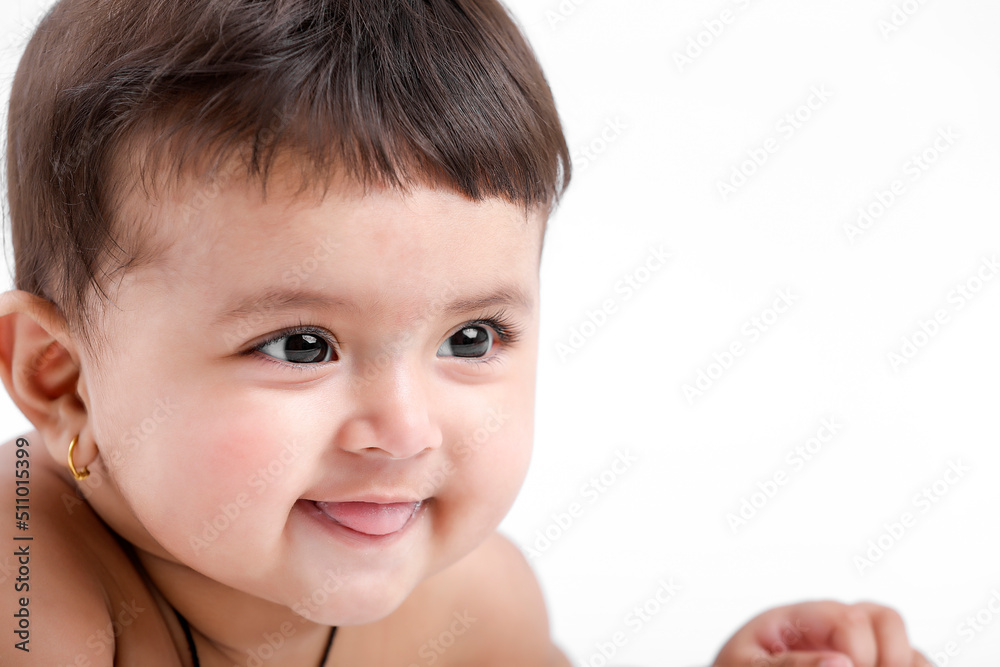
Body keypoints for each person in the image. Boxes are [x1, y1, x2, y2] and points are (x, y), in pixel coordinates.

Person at [0, 0, 930, 664]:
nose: (406, 431)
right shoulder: (29, 581)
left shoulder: (473, 605)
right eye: (300, 345)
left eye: (473, 338)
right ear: (64, 380)